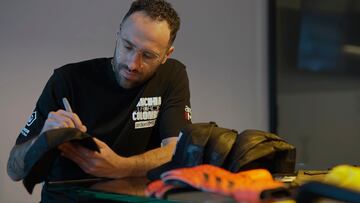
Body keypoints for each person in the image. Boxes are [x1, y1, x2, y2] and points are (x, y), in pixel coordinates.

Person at [7, 0, 191, 201]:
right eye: (128, 46)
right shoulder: (67, 80)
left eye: (148, 55)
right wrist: (42, 140)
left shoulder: (172, 75)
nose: (133, 64)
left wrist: (121, 167)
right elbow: (14, 171)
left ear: (166, 55)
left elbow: (178, 152)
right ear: (118, 34)